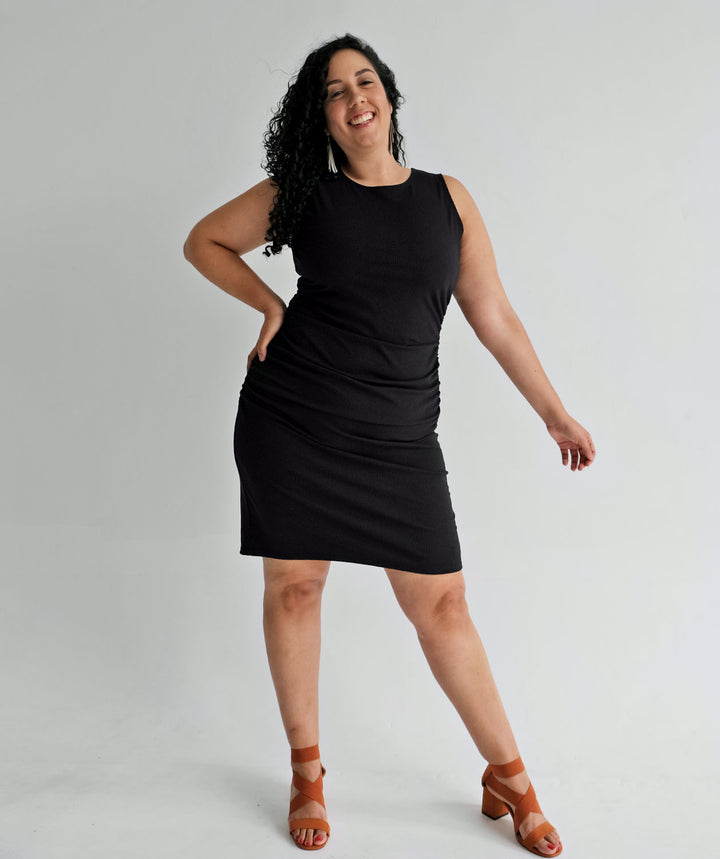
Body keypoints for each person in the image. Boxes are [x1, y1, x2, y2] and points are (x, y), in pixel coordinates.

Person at [183, 33, 594, 855]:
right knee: (296, 590)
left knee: (444, 607)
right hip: (294, 421)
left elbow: (494, 314)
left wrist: (553, 411)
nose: (354, 99)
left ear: (390, 97)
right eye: (334, 92)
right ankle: (306, 771)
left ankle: (510, 775)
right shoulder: (303, 193)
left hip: (400, 437)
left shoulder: (447, 200)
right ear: (323, 118)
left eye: (364, 81)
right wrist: (270, 305)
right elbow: (205, 240)